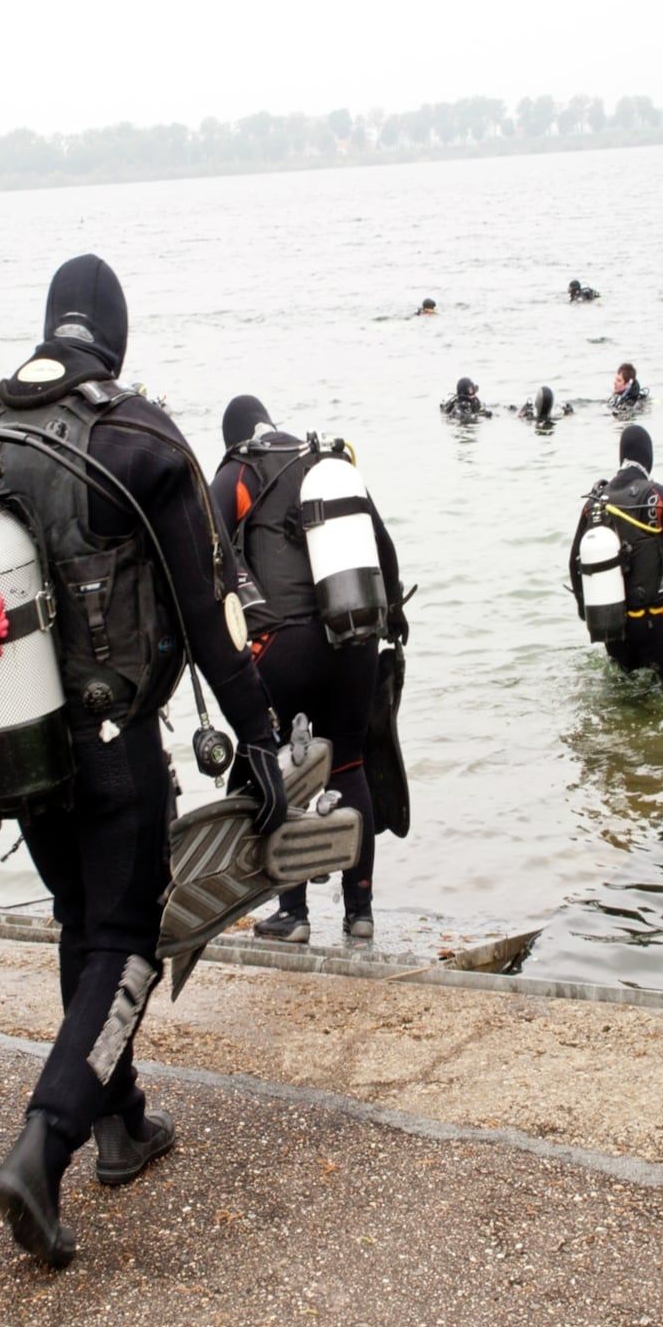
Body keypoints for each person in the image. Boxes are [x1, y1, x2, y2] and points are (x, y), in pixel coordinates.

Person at [0, 256, 287, 1269]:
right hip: (113, 745)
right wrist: (258, 743)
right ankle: (44, 1144)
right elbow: (211, 616)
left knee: (79, 916)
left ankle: (120, 1123)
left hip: (12, 738)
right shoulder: (135, 435)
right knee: (124, 938)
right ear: (113, 335)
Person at [212, 396, 408, 944]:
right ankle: (360, 910)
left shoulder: (238, 471)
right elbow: (382, 545)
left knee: (286, 769)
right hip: (354, 635)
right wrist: (392, 615)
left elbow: (204, 553)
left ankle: (293, 913)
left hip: (281, 645)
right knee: (348, 764)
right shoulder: (325, 462)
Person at [569, 425, 663, 676]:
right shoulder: (654, 495)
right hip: (653, 621)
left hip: (610, 624)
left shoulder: (595, 502)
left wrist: (587, 611)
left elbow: (574, 563)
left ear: (621, 455)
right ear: (648, 457)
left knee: (623, 693)